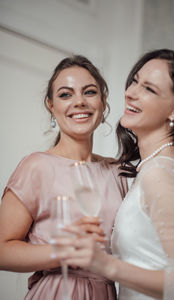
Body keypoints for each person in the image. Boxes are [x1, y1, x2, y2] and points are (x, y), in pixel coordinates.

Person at [57, 49, 174, 299]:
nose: (130, 92)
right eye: (135, 80)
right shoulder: (152, 166)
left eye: (149, 89)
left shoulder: (161, 173)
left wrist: (105, 265)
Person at [0, 55, 128, 300]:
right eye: (66, 94)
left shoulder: (116, 170)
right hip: (58, 292)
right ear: (51, 106)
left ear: (103, 102)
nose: (79, 102)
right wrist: (62, 250)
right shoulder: (36, 166)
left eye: (89, 92)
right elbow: (2, 250)